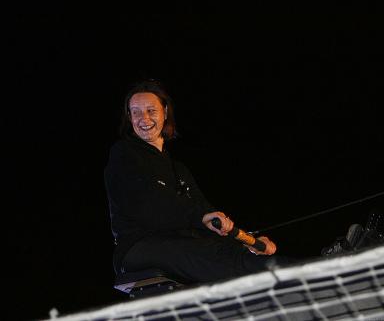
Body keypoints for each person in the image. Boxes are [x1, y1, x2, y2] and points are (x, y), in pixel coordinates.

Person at [104, 80, 278, 284]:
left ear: (165, 112)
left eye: (151, 110)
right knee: (224, 261)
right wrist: (201, 216)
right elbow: (154, 205)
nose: (144, 118)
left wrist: (248, 243)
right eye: (136, 112)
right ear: (129, 117)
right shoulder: (124, 154)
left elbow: (206, 212)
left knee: (243, 257)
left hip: (180, 243)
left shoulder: (179, 169)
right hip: (139, 247)